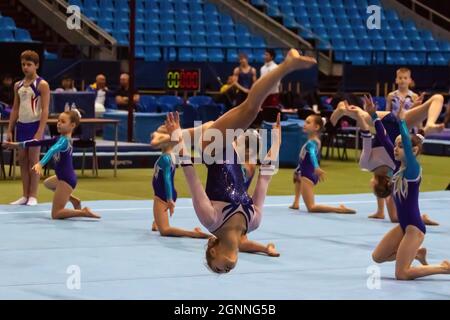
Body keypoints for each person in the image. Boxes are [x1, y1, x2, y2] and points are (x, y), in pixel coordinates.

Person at [154, 49, 316, 273]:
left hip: (211, 148)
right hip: (230, 149)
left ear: (213, 252)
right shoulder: (254, 222)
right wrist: (276, 143)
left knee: (250, 109)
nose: (226, 269)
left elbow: (190, 174)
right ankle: (286, 66)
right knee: (251, 109)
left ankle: (287, 65)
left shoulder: (210, 220)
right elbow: (264, 179)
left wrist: (177, 137)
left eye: (219, 269)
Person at [371, 102, 450, 280]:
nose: (395, 148)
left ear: (413, 151)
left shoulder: (413, 169)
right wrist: (374, 117)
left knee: (402, 274)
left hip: (415, 228)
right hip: (403, 226)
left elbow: (407, 142)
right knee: (377, 257)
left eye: (399, 146)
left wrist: (402, 122)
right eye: (396, 145)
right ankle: (417, 254)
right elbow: (384, 139)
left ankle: (444, 267)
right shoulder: (399, 165)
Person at [3, 110, 100, 220]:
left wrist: (40, 163)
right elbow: (37, 142)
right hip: (61, 177)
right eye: (58, 121)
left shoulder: (65, 141)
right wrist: (16, 145)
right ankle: (73, 200)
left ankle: (83, 212)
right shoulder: (59, 139)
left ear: (72, 125)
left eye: (63, 121)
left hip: (66, 180)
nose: (58, 123)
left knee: (56, 214)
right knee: (48, 183)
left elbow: (52, 150)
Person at [6, 50, 50, 206]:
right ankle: (25, 195)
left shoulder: (42, 85)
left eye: (29, 64)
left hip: (35, 126)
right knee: (23, 160)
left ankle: (33, 195)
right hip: (21, 126)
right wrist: (10, 129)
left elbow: (45, 109)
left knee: (33, 160)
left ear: (36, 65)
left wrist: (40, 130)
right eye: (23, 64)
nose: (25, 67)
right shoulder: (17, 85)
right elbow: (15, 109)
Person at [150, 126, 210, 239]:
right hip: (167, 192)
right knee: (159, 224)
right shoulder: (171, 156)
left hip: (163, 195)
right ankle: (157, 221)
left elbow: (167, 179)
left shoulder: (165, 158)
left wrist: (169, 200)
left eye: (160, 137)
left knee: (165, 230)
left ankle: (194, 233)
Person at [289, 115, 356, 214]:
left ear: (316, 127)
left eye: (308, 122)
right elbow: (304, 159)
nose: (304, 124)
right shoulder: (314, 140)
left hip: (308, 176)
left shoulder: (311, 143)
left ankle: (339, 209)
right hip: (307, 173)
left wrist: (316, 167)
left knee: (311, 207)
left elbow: (312, 155)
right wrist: (298, 170)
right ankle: (296, 202)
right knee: (297, 178)